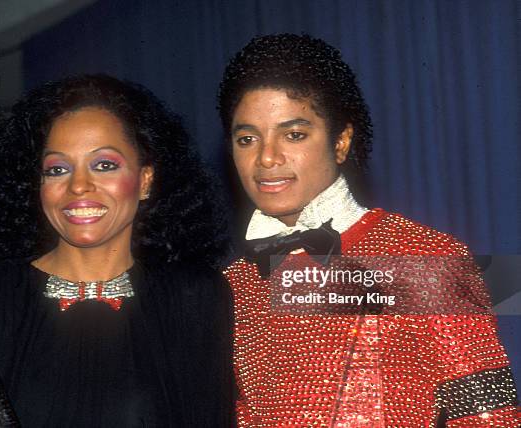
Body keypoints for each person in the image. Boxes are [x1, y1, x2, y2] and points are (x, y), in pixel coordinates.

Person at [218, 34, 519, 426]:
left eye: (294, 134)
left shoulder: (424, 256)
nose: (267, 157)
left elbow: (493, 415)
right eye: (247, 139)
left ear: (341, 141)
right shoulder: (233, 284)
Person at [0, 74, 235, 427]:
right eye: (57, 169)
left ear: (145, 180)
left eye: (104, 165)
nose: (78, 186)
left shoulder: (195, 297)